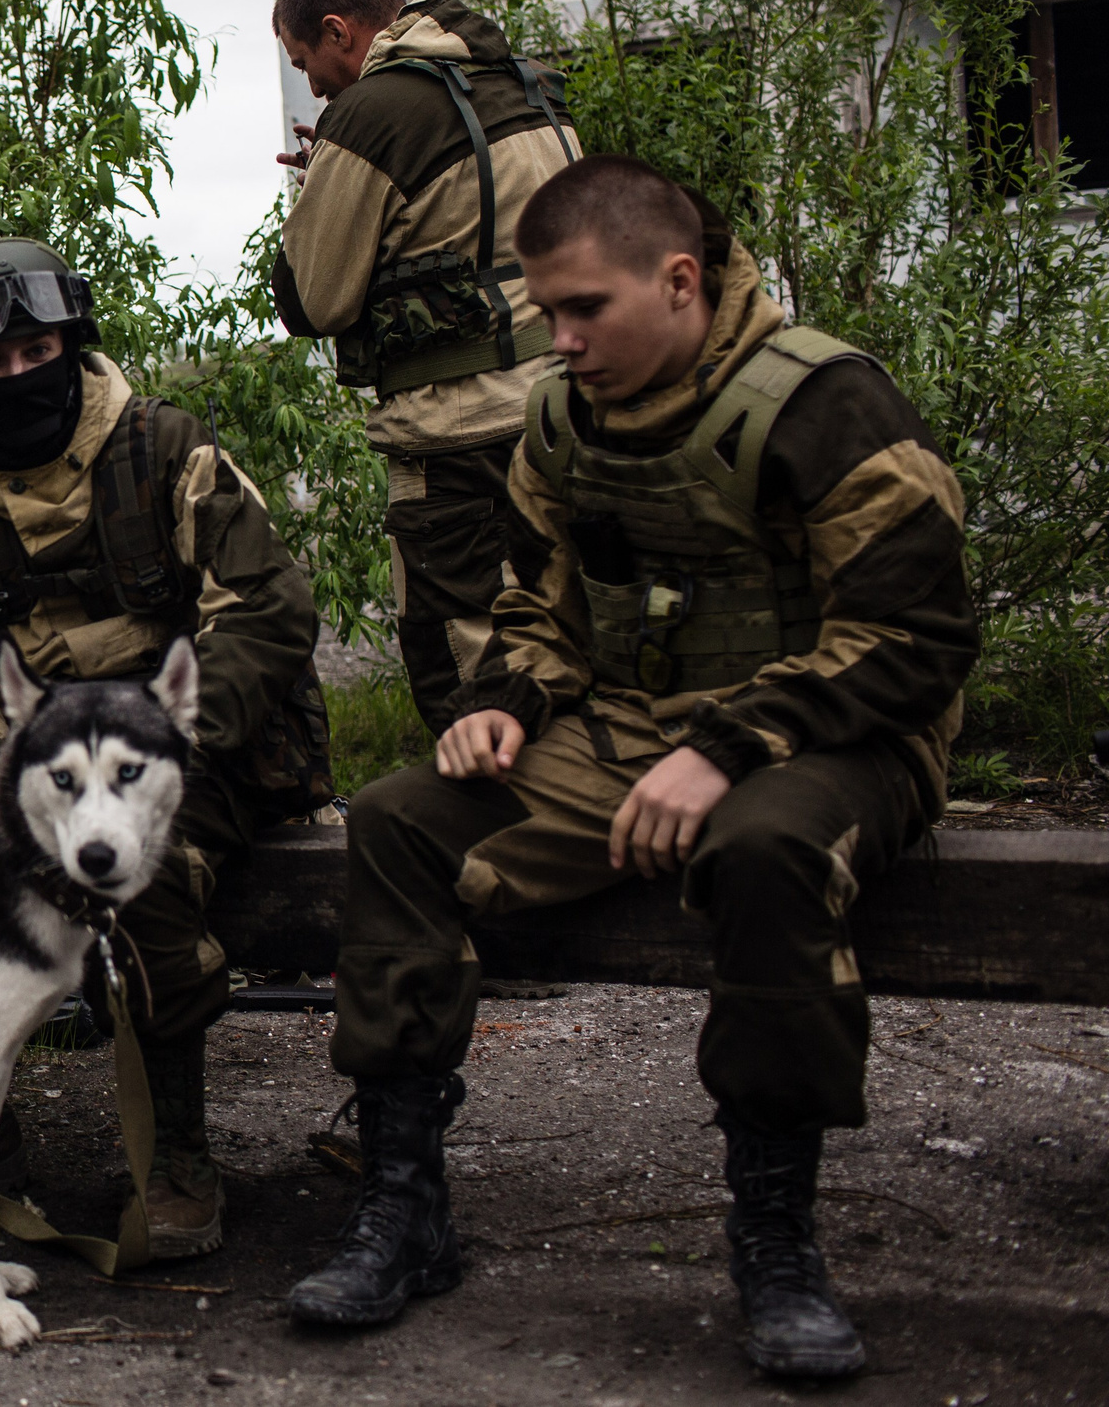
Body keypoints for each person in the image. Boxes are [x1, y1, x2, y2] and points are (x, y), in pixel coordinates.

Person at [287, 157, 978, 1380]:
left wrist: (724, 750)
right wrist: (502, 703)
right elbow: (538, 608)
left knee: (763, 847)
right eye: (545, 311)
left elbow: (915, 640)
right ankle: (403, 1211)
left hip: (840, 735)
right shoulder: (559, 420)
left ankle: (776, 1242)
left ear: (677, 280)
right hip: (633, 727)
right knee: (399, 819)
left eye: (582, 311)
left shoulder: (825, 404)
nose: (558, 340)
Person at [0, 237, 334, 1258]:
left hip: (194, 753)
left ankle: (176, 1156)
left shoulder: (168, 452)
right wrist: (2, 792)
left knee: (146, 878)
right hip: (34, 765)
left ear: (69, 342)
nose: (16, 378)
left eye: (35, 350)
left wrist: (158, 746)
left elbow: (264, 614)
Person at [269, 0, 582, 726]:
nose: (312, 85)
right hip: (570, 409)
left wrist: (316, 190)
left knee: (465, 669)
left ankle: (488, 834)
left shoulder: (370, 113)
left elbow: (311, 298)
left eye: (307, 61)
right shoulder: (524, 82)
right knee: (574, 631)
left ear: (340, 31)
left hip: (455, 438)